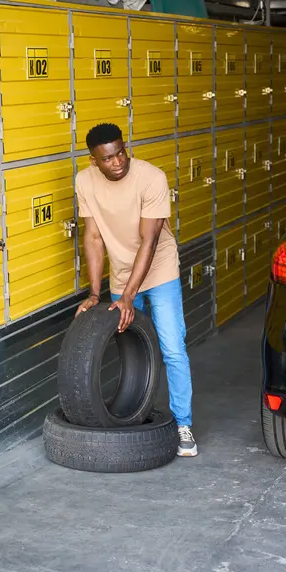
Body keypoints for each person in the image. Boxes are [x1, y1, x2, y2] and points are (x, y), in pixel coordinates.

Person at [75, 122, 197, 458]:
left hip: (158, 269)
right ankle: (135, 414)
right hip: (121, 273)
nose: (117, 162)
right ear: (93, 161)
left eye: (120, 153)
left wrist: (129, 296)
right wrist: (95, 293)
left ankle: (183, 424)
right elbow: (94, 238)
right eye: (108, 158)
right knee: (130, 347)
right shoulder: (84, 181)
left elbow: (150, 239)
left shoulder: (151, 178)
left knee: (172, 346)